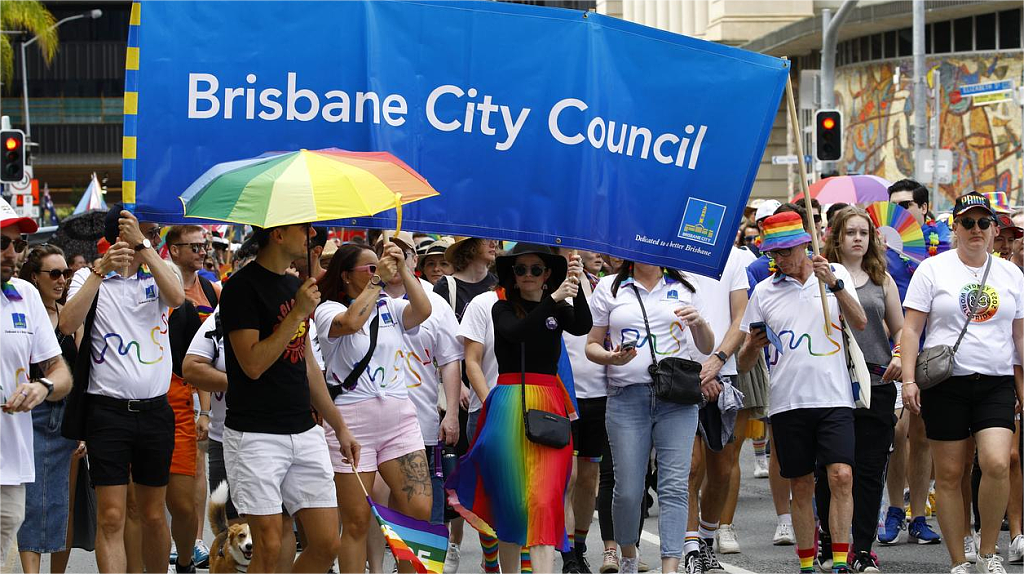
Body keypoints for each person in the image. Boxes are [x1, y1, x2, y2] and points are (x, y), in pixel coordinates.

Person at [219, 223, 358, 574]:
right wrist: (297, 312)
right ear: (278, 234)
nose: (312, 237)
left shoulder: (297, 286)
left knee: (327, 544)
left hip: (304, 428)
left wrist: (340, 426)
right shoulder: (240, 287)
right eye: (303, 229)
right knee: (268, 547)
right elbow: (252, 364)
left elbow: (308, 365)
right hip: (254, 434)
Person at [447, 243, 591, 574]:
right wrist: (554, 298)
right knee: (509, 503)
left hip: (549, 403)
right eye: (521, 269)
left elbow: (582, 325)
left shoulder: (555, 307)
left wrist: (578, 283)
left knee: (543, 501)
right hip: (508, 401)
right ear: (512, 274)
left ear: (547, 274)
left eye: (536, 269)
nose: (527, 275)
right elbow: (515, 333)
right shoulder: (502, 308)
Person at [736, 211, 867, 574]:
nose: (779, 260)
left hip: (834, 397)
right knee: (800, 482)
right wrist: (752, 346)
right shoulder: (763, 291)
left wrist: (836, 286)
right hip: (788, 401)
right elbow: (746, 362)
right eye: (774, 253)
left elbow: (860, 322)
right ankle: (807, 563)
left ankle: (841, 560)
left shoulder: (835, 275)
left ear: (804, 245)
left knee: (841, 474)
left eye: (786, 251)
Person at [901, 192, 1024, 574]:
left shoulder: (1011, 274)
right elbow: (910, 328)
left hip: (995, 380)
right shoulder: (933, 270)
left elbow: (1020, 337)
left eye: (983, 223)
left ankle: (988, 551)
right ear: (954, 227)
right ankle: (958, 559)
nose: (975, 230)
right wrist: (908, 379)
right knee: (951, 474)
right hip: (947, 383)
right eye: (967, 223)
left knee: (996, 463)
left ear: (993, 229)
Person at [60, 206, 185, 574]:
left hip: (155, 411)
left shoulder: (161, 271)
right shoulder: (88, 274)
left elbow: (177, 298)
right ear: (118, 233)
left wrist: (144, 247)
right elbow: (67, 324)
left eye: (155, 233)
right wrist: (101, 271)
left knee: (152, 514)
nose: (157, 237)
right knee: (112, 516)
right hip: (107, 412)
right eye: (149, 230)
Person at [586, 259, 714, 574]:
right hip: (626, 397)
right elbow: (591, 345)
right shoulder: (610, 286)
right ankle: (628, 554)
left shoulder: (685, 285)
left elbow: (706, 346)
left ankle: (670, 565)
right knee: (628, 487)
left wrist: (699, 322)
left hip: (676, 398)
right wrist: (610, 357)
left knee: (674, 485)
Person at [314, 240, 433, 574]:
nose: (378, 271)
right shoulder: (326, 310)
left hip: (399, 418)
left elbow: (422, 311)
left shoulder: (390, 306)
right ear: (347, 276)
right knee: (356, 521)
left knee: (418, 509)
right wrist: (378, 280)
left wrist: (405, 269)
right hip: (353, 423)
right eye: (369, 268)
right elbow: (351, 323)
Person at [820, 206, 906, 572]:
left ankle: (863, 548)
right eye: (851, 232)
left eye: (864, 233)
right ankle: (830, 543)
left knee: (870, 471)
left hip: (875, 382)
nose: (858, 238)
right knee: (833, 470)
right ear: (837, 237)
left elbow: (901, 329)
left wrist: (901, 354)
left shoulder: (881, 278)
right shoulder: (821, 276)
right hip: (830, 383)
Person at [0, 201, 73, 571]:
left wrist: (43, 386)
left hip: (11, 462)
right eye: (2, 242)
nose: (12, 252)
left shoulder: (25, 295)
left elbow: (59, 370)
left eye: (18, 242)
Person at [878, 178, 944, 548]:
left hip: (934, 353)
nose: (898, 212)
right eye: (893, 205)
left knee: (921, 437)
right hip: (893, 352)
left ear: (923, 208)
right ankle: (893, 509)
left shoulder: (943, 246)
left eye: (905, 205)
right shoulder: (882, 246)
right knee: (897, 434)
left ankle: (918, 515)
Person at [686, 244, 757, 567]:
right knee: (689, 467)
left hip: (723, 376)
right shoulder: (670, 251)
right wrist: (696, 371)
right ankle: (689, 550)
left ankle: (706, 537)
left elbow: (741, 316)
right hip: (679, 375)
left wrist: (717, 360)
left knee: (721, 469)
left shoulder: (735, 257)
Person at [15, 246, 85, 574]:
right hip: (32, 412)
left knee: (62, 504)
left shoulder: (71, 315)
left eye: (65, 273)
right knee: (31, 502)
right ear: (34, 277)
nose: (62, 280)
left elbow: (83, 371)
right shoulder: (22, 314)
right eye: (54, 273)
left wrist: (84, 424)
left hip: (67, 415)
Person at [167, 224, 220, 570]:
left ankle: (196, 539)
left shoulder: (211, 289)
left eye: (205, 246)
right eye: (195, 246)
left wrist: (206, 406)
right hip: (166, 386)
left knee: (198, 467)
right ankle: (169, 542)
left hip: (204, 389)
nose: (203, 251)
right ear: (173, 250)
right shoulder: (162, 283)